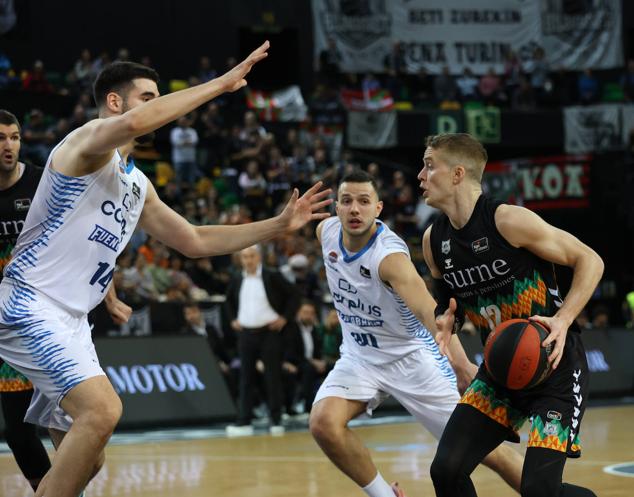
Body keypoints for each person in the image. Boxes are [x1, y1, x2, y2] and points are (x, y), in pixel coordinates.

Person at [0, 40, 332, 497]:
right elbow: (134, 122)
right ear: (114, 103)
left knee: (88, 459)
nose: (155, 108)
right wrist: (221, 84)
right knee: (102, 412)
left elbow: (194, 241)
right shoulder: (84, 144)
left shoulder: (137, 184)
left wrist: (276, 226)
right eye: (148, 97)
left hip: (72, 319)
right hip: (31, 301)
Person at [309, 170, 523, 497]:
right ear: (336, 208)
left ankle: (551, 492)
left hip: (413, 359)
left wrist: (462, 364)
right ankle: (386, 495)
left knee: (491, 454)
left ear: (378, 208)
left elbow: (429, 312)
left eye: (363, 201)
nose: (354, 209)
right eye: (347, 201)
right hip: (360, 358)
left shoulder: (390, 257)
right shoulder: (325, 232)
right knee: (323, 423)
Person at [418, 133, 602, 497]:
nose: (420, 176)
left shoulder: (508, 220)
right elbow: (448, 305)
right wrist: (446, 321)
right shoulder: (432, 241)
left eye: (429, 165)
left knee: (539, 490)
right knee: (446, 470)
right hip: (500, 370)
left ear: (457, 174)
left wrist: (563, 319)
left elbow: (590, 260)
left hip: (554, 366)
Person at [0, 109, 131, 495]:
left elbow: (84, 242)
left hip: (45, 312)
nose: (8, 145)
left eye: (14, 136)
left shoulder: (44, 181)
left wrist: (107, 294)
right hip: (11, 315)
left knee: (87, 445)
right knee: (20, 434)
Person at [225, 244, 299, 435]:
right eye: (244, 257)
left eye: (251, 256)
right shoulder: (236, 278)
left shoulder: (271, 275)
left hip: (269, 333)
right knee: (246, 378)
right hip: (246, 335)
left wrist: (284, 318)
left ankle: (276, 420)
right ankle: (244, 422)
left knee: (272, 377)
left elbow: (294, 295)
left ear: (258, 257)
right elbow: (228, 301)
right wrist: (233, 319)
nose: (248, 260)